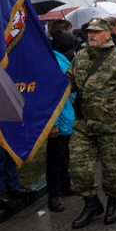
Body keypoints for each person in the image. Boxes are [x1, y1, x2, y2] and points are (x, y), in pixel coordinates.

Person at [67, 18, 116, 228]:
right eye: (89, 32)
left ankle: (113, 201)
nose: (91, 35)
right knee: (78, 167)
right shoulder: (80, 56)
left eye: (95, 32)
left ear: (107, 34)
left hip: (111, 126)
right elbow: (69, 82)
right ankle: (91, 203)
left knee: (111, 169)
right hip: (84, 125)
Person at [47, 36, 79, 212]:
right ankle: (54, 194)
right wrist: (53, 122)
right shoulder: (53, 63)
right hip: (58, 122)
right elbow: (50, 95)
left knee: (64, 155)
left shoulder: (63, 60)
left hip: (68, 117)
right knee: (54, 159)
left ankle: (65, 185)